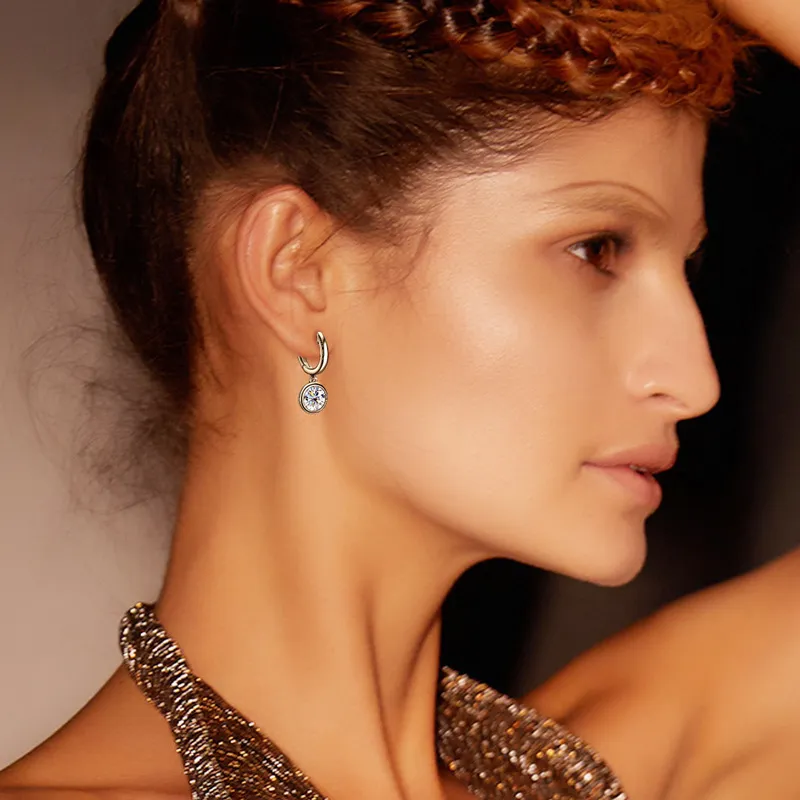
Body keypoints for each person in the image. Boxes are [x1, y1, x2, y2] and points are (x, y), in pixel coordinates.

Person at [0, 0, 797, 798]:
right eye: (597, 250)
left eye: (685, 269)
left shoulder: (610, 769)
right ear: (298, 269)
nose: (695, 381)